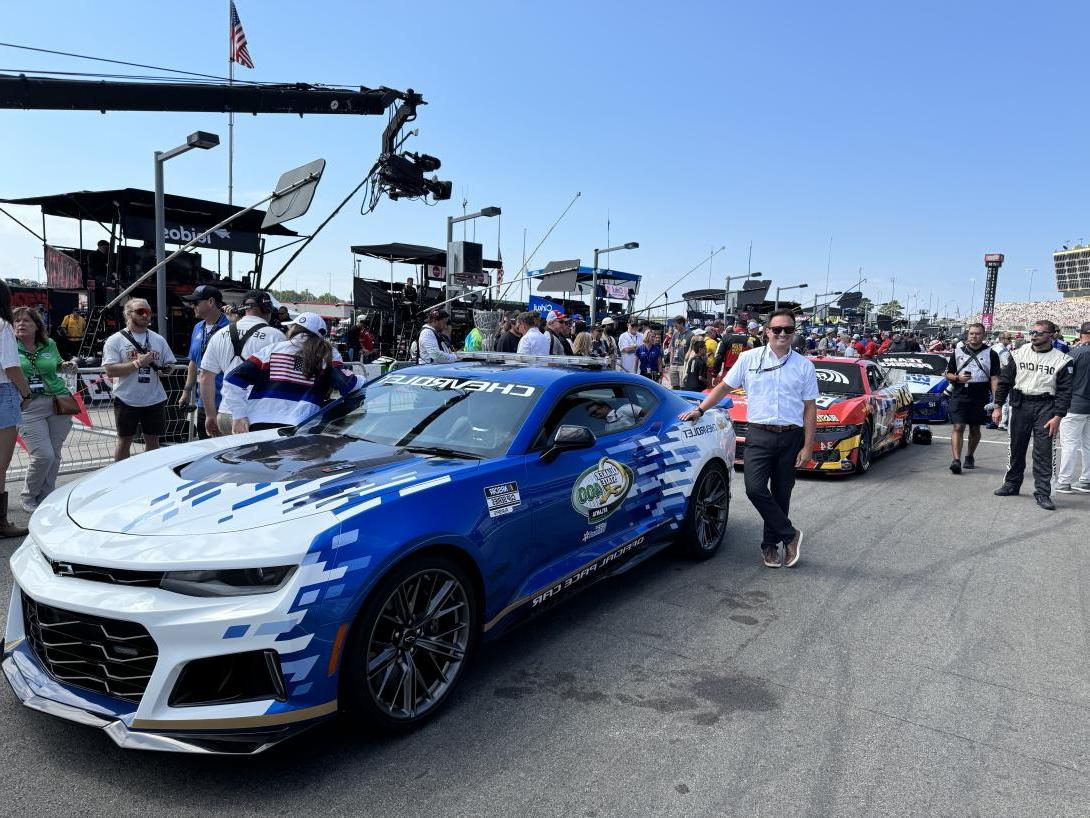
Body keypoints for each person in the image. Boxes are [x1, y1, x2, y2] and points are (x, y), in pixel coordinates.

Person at [682, 309, 815, 568]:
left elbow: (810, 407)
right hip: (759, 434)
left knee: (781, 494)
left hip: (791, 436)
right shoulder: (748, 358)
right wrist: (700, 409)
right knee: (754, 489)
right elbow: (723, 387)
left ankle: (770, 547)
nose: (783, 334)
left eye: (788, 329)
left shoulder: (804, 366)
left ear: (794, 333)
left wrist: (808, 446)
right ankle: (790, 535)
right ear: (767, 332)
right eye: (777, 329)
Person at [223, 312, 361, 432]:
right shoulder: (328, 354)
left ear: (295, 329)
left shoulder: (270, 350)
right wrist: (364, 380)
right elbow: (349, 385)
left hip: (258, 423)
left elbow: (231, 380)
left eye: (291, 326)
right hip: (300, 427)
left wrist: (239, 415)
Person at [992, 320, 1074, 510]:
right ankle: (1012, 484)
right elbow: (1004, 381)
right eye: (1032, 332)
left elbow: (1065, 391)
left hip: (1046, 406)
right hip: (1020, 404)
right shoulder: (1018, 353)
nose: (1034, 335)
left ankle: (1043, 492)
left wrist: (1058, 416)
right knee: (1016, 447)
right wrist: (997, 406)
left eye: (1039, 333)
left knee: (1044, 451)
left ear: (1051, 335)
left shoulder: (1062, 360)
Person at [12, 307, 76, 512]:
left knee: (55, 454)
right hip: (28, 405)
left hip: (58, 401)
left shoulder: (49, 344)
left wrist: (66, 365)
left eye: (26, 321)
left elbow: (57, 365)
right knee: (44, 455)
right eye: (17, 321)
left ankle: (47, 495)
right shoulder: (8, 347)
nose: (21, 324)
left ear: (36, 326)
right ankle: (29, 496)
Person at [199, 290, 285, 437]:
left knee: (226, 459)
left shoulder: (219, 335)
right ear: (267, 309)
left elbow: (205, 377)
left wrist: (210, 415)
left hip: (225, 414)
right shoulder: (276, 337)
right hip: (258, 417)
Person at [101, 298, 176, 461]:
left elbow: (170, 363)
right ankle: (120, 478)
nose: (146, 315)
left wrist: (167, 370)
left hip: (154, 398)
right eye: (140, 311)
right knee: (124, 441)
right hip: (127, 398)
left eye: (148, 312)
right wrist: (137, 363)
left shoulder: (158, 339)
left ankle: (148, 476)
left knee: (153, 441)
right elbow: (110, 370)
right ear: (128, 314)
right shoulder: (115, 340)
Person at [944, 323, 1001, 474]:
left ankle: (970, 455)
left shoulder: (991, 354)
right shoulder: (957, 352)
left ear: (983, 336)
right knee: (958, 426)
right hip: (960, 392)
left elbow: (994, 378)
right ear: (967, 335)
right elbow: (947, 374)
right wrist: (958, 377)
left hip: (980, 393)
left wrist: (996, 403)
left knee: (975, 428)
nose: (974, 336)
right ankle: (956, 460)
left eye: (977, 334)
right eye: (971, 334)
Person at [0, 282, 32, 537]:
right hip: (3, 392)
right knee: (0, 463)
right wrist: (26, 392)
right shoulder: (3, 326)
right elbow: (11, 367)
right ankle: (0, 523)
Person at [178, 285, 230, 440]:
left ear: (211, 302)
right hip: (204, 403)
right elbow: (193, 362)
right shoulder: (197, 328)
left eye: (196, 303)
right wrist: (186, 391)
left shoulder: (231, 327)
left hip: (226, 402)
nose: (192, 306)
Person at [1055, 321, 1090, 494]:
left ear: (1083, 334)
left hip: (1075, 404)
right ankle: (1086, 480)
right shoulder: (1076, 351)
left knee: (1070, 444)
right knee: (1088, 445)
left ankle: (1064, 481)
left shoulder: (1076, 353)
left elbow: (1062, 379)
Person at [666, 316, 693, 389]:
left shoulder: (691, 335)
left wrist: (687, 364)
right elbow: (672, 349)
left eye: (676, 325)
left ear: (681, 324)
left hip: (683, 365)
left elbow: (691, 350)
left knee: (683, 386)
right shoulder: (675, 334)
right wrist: (671, 363)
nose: (674, 327)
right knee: (674, 386)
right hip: (674, 364)